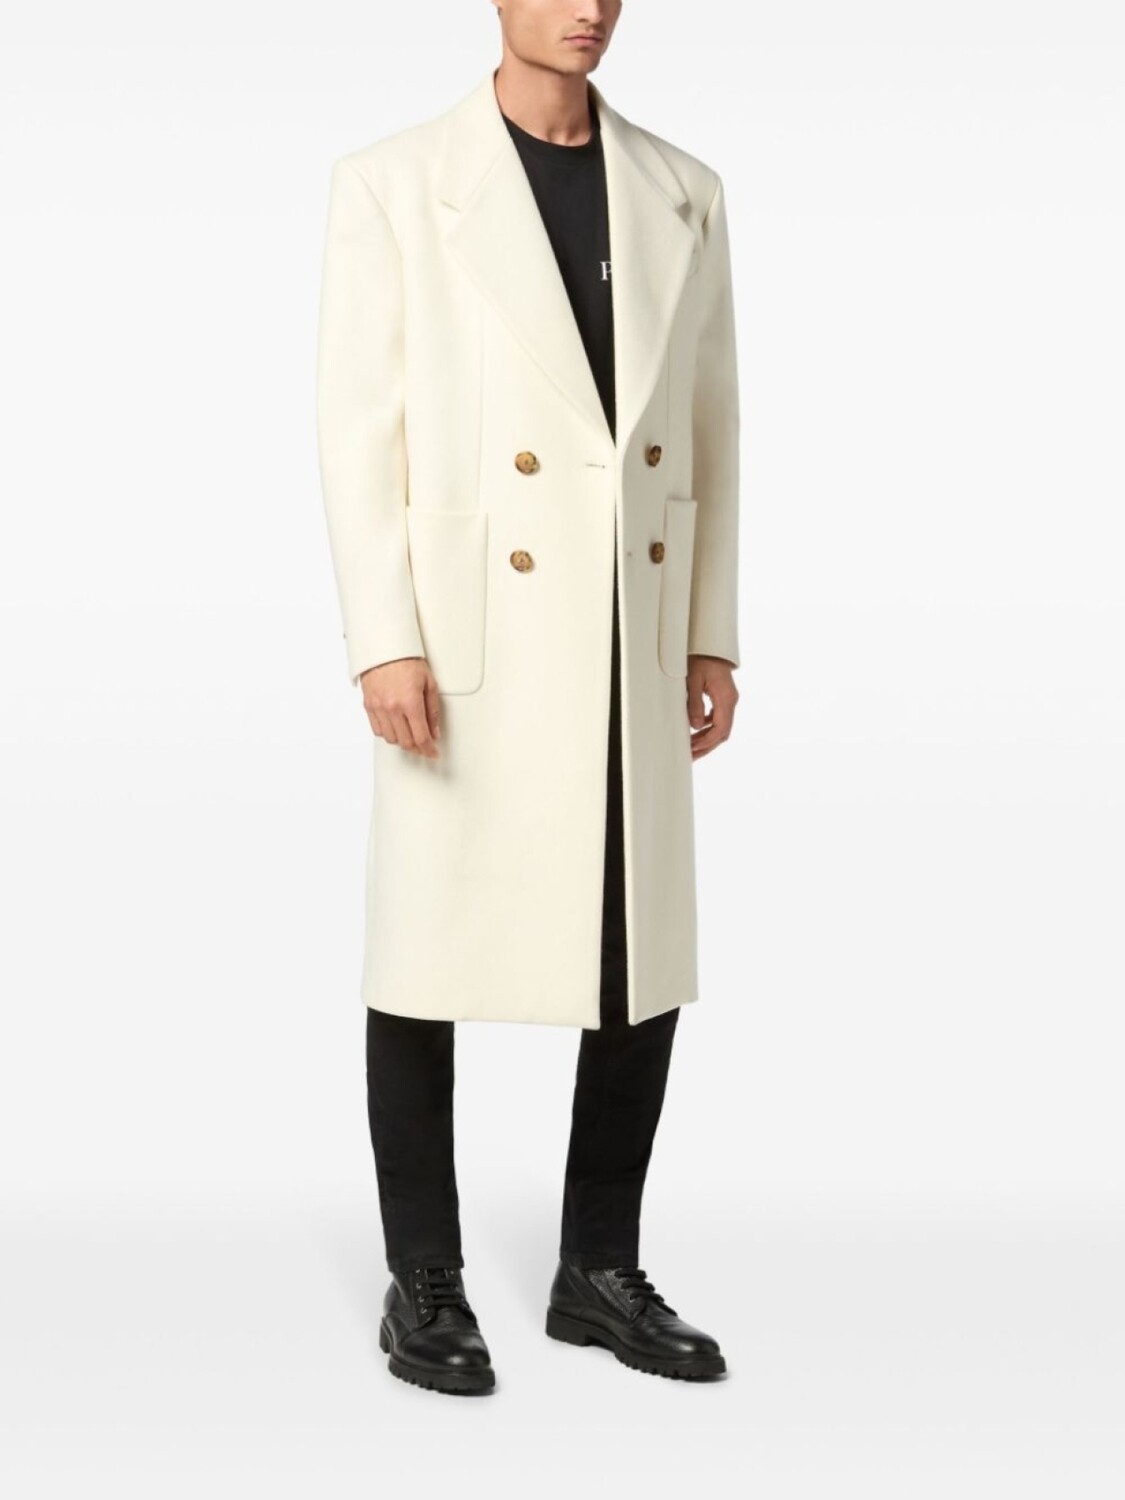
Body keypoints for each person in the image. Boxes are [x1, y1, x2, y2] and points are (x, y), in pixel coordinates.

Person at [315, 0, 741, 1395]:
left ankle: (595, 1270)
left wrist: (709, 632)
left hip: (629, 621)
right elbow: (356, 428)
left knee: (638, 949)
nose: (590, 8)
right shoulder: (393, 183)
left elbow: (714, 426)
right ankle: (423, 1277)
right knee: (422, 947)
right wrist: (382, 637)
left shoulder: (684, 190)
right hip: (468, 635)